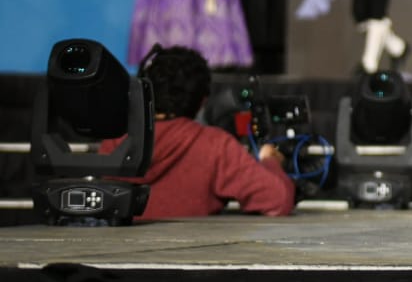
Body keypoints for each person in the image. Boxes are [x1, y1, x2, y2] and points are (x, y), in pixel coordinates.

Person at [102, 45, 294, 219]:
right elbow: (277, 200)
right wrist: (271, 161)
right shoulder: (214, 145)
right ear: (202, 101)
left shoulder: (113, 143)